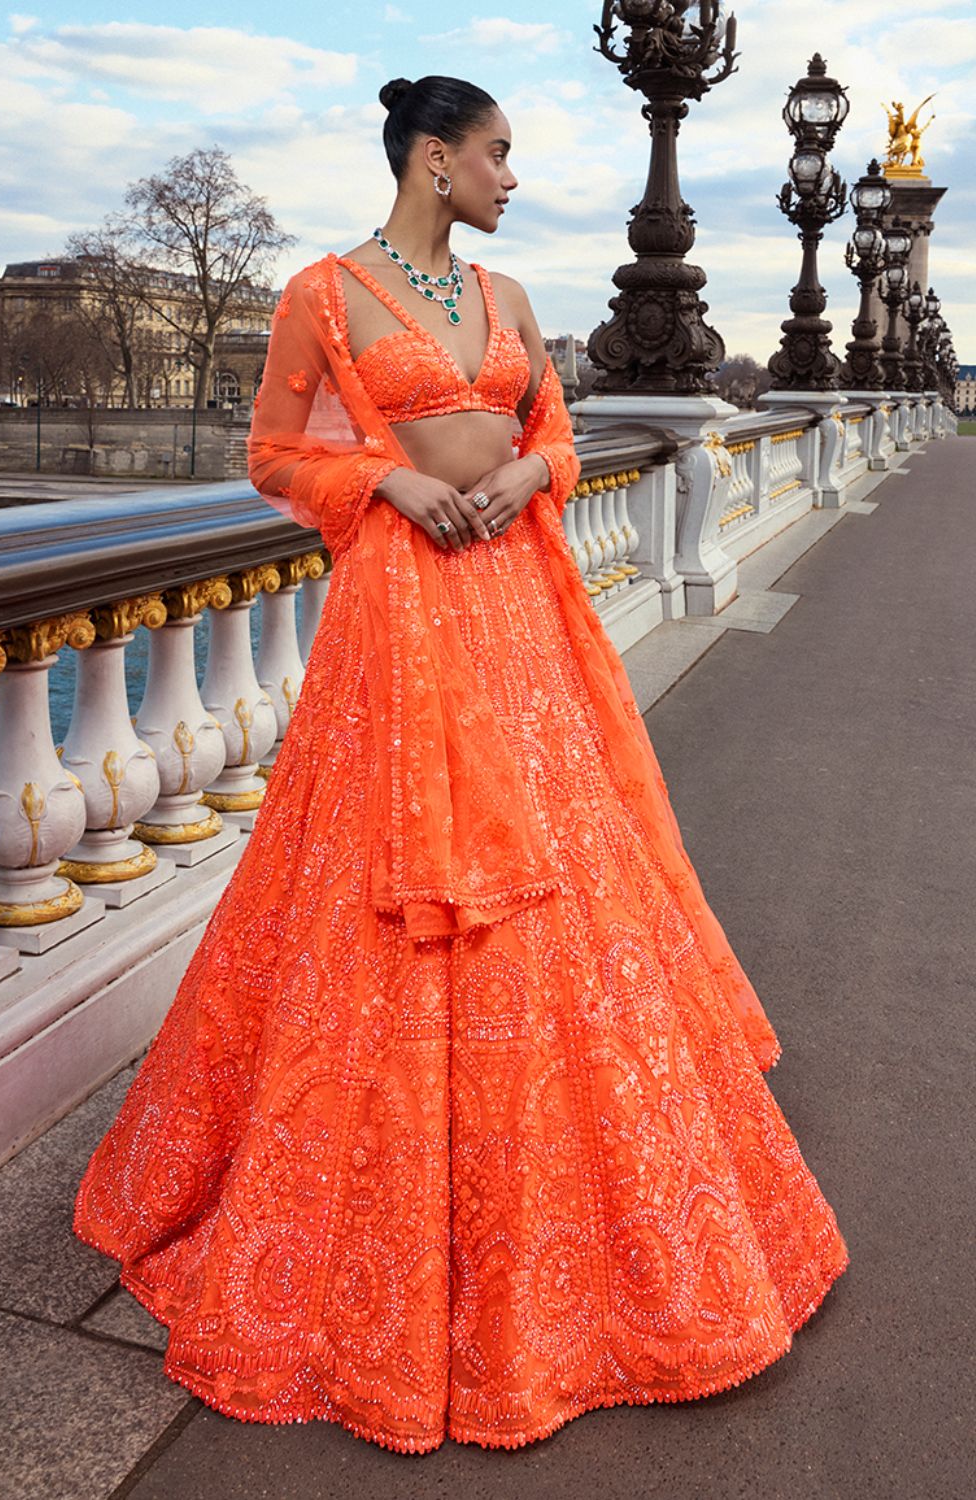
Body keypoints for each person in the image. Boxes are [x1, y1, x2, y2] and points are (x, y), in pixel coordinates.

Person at [72, 75, 847, 1454]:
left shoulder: (509, 305)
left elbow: (552, 432)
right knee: (387, 880)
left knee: (561, 871)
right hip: (402, 614)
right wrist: (384, 481)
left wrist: (531, 481)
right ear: (433, 160)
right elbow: (268, 454)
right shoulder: (320, 296)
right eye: (496, 154)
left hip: (518, 610)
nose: (509, 176)